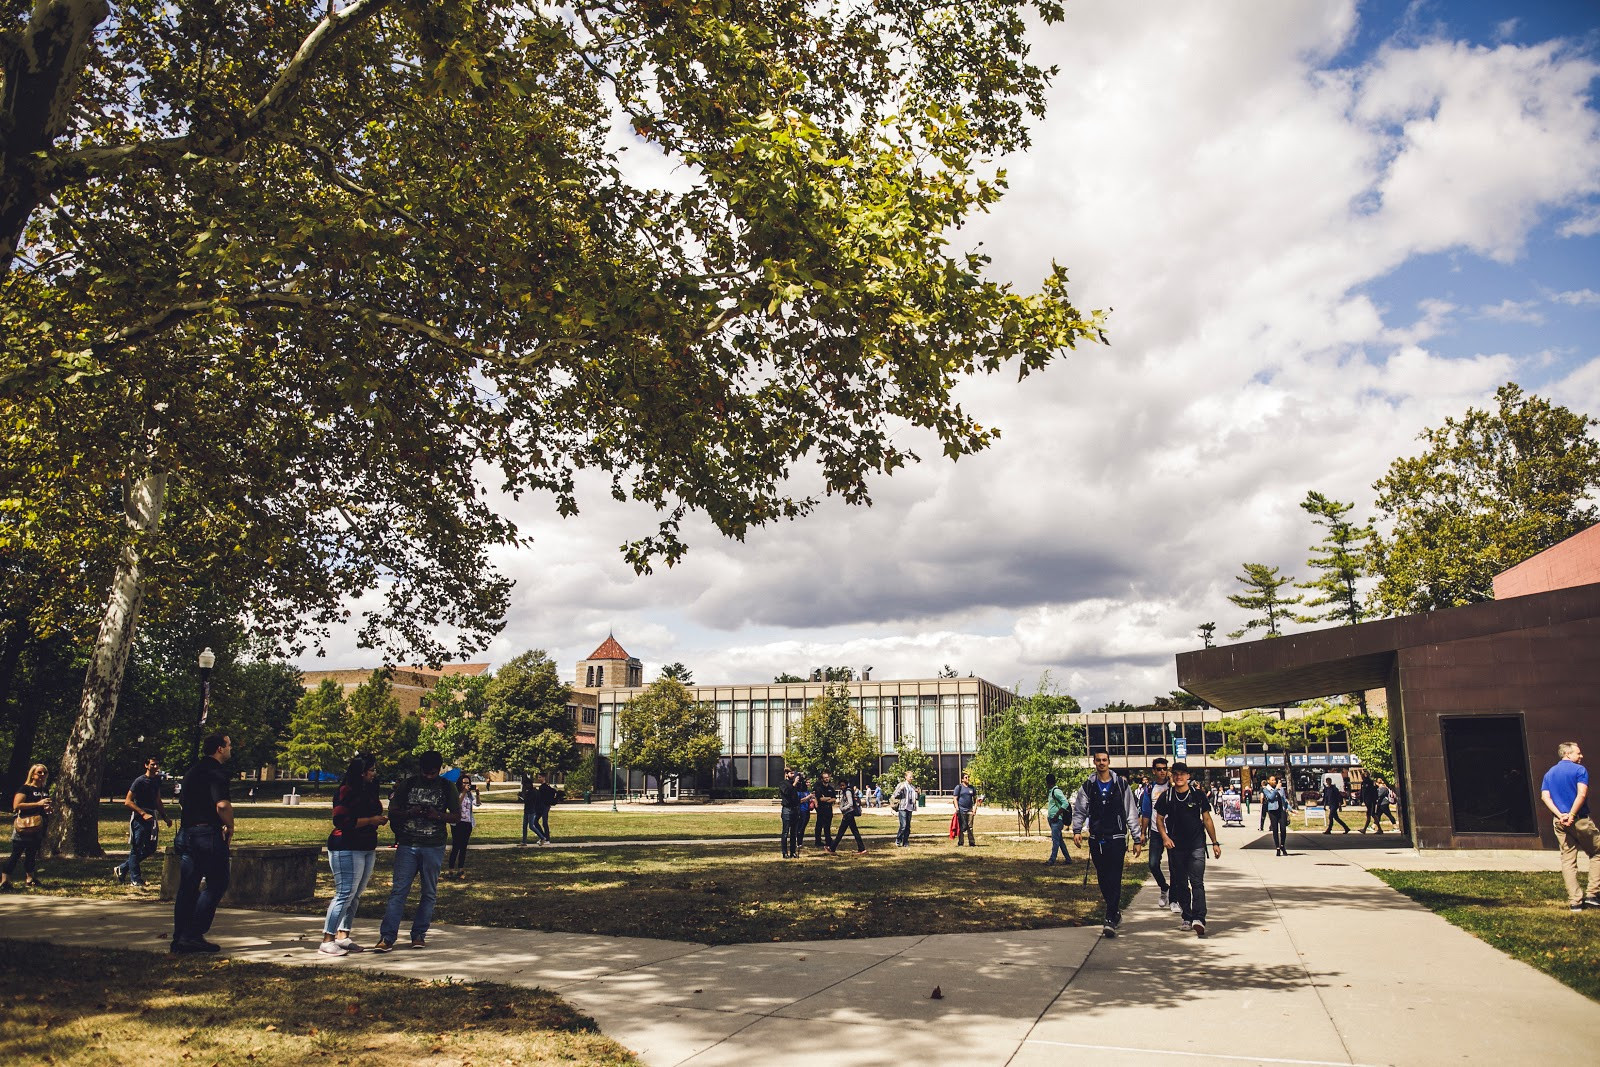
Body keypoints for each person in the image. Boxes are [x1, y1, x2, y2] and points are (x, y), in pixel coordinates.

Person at [374, 750, 458, 952]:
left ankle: (419, 934)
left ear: (439, 770)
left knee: (428, 892)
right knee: (399, 891)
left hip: (433, 845)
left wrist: (436, 815)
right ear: (420, 769)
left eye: (433, 773)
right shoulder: (408, 785)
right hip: (408, 844)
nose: (429, 776)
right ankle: (387, 937)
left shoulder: (447, 786)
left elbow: (456, 816)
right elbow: (393, 812)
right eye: (426, 773)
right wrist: (409, 812)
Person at [171, 733, 235, 953]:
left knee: (188, 886)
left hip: (187, 833)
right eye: (228, 745)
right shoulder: (216, 773)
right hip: (206, 835)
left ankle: (179, 937)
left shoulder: (192, 772)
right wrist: (231, 826)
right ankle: (193, 934)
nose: (230, 748)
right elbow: (222, 805)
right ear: (219, 748)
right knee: (218, 882)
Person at [320, 755, 388, 956]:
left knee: (355, 894)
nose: (374, 773)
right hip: (346, 846)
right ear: (361, 772)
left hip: (366, 845)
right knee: (344, 893)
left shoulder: (369, 790)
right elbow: (341, 821)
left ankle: (343, 935)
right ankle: (327, 939)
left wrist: (376, 820)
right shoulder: (345, 791)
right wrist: (370, 820)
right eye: (372, 769)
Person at [1071, 750, 1142, 937]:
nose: (1102, 763)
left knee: (1115, 876)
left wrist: (1137, 838)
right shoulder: (1088, 785)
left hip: (1117, 837)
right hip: (1097, 838)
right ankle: (1115, 911)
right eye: (1098, 760)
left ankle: (1110, 917)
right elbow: (1080, 809)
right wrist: (1077, 830)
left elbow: (1131, 812)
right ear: (1094, 762)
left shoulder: (1121, 785)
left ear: (1109, 762)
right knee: (1103, 878)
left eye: (1105, 760)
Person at [1156, 761, 1221, 937]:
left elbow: (1207, 819)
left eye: (1182, 774)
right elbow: (1159, 819)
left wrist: (1214, 842)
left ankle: (1199, 918)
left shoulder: (1198, 795)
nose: (1179, 777)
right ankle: (1187, 916)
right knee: (1181, 883)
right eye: (1175, 774)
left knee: (1197, 882)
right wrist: (1165, 837)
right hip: (1176, 846)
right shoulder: (1167, 796)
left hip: (1197, 845)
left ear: (1188, 776)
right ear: (1172, 776)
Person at [1541, 742, 1599, 912]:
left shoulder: (1549, 773)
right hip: (1579, 820)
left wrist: (1560, 815)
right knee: (1597, 852)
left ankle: (1575, 902)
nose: (1581, 756)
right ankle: (1593, 895)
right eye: (1578, 753)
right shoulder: (1579, 770)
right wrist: (1572, 815)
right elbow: (1581, 794)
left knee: (1568, 860)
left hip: (1559, 822)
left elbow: (1545, 797)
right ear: (1567, 754)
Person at [113, 757, 171, 888]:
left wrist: (165, 817)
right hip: (140, 818)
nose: (155, 767)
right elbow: (128, 801)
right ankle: (136, 879)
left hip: (152, 816)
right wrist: (143, 813)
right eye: (152, 764)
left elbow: (157, 800)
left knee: (151, 848)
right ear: (146, 765)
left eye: (157, 764)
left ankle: (122, 868)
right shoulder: (139, 781)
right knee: (136, 848)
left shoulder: (156, 780)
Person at [1, 764, 52, 891]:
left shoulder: (44, 790)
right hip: (24, 825)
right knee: (16, 853)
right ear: (32, 774)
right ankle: (5, 880)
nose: (42, 775)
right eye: (39, 772)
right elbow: (16, 805)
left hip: (38, 825)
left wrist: (47, 808)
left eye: (44, 773)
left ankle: (30, 878)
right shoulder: (25, 788)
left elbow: (43, 806)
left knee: (31, 853)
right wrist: (37, 803)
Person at [1139, 758, 1172, 907]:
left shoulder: (1172, 785)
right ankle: (1164, 888)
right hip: (1156, 830)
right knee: (1153, 864)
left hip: (1173, 831)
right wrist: (1143, 833)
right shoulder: (1149, 789)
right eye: (1159, 769)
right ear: (1154, 771)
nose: (1162, 771)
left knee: (1175, 865)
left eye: (1164, 768)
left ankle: (1175, 897)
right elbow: (1146, 812)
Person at [446, 777, 480, 881]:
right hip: (457, 822)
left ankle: (461, 869)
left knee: (464, 847)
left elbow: (477, 804)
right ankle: (451, 870)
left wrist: (478, 794)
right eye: (464, 783)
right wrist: (464, 792)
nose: (467, 785)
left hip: (467, 823)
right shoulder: (456, 793)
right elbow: (456, 805)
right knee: (456, 846)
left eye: (468, 783)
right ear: (460, 783)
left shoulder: (470, 795)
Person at [830, 778, 865, 853]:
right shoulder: (845, 791)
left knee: (841, 832)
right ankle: (861, 848)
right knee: (854, 832)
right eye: (840, 785)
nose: (841, 787)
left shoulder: (848, 792)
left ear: (846, 785)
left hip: (848, 813)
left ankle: (832, 848)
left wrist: (843, 809)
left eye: (843, 785)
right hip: (848, 814)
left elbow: (850, 803)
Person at [1043, 773, 1071, 866]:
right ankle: (1068, 859)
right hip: (1052, 819)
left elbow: (1065, 803)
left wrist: (1057, 814)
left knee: (1055, 841)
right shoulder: (1051, 791)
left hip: (1057, 820)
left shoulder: (1056, 791)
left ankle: (1052, 860)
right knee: (1060, 841)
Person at [1261, 775, 1290, 856]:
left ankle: (1282, 845)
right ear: (1268, 781)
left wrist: (1291, 809)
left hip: (1281, 810)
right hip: (1273, 811)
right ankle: (1277, 847)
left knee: (1283, 829)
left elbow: (1284, 800)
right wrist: (1276, 789)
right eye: (1272, 780)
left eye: (1275, 780)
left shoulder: (1281, 789)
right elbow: (1270, 798)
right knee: (1275, 830)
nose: (1274, 781)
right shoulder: (1266, 789)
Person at [779, 768, 804, 858]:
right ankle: (784, 852)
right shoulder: (783, 784)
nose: (793, 775)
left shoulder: (796, 784)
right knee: (785, 832)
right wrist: (794, 784)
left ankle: (793, 852)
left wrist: (801, 780)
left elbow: (803, 789)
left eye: (794, 773)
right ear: (786, 774)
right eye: (791, 773)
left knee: (794, 833)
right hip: (787, 810)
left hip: (795, 809)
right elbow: (787, 792)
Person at [891, 770, 918, 847]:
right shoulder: (902, 785)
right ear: (906, 777)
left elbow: (916, 798)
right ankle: (898, 840)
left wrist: (918, 792)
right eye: (910, 777)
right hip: (902, 807)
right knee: (903, 825)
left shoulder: (912, 787)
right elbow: (895, 794)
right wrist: (901, 789)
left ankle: (905, 842)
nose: (911, 778)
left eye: (912, 777)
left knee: (908, 827)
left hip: (910, 808)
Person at [953, 770, 978, 846]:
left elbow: (975, 799)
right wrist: (957, 808)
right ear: (962, 779)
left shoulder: (972, 788)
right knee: (962, 827)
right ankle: (961, 842)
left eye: (968, 777)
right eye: (966, 777)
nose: (968, 779)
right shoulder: (959, 787)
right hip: (961, 810)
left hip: (970, 810)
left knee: (970, 827)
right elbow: (955, 798)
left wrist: (974, 809)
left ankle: (972, 842)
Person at [813, 772, 837, 849]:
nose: (827, 778)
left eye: (828, 777)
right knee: (819, 826)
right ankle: (818, 841)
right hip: (821, 809)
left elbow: (834, 799)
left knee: (827, 826)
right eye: (825, 777)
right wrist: (829, 798)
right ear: (822, 779)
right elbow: (820, 799)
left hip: (829, 809)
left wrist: (826, 798)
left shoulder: (831, 788)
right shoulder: (819, 788)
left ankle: (828, 841)